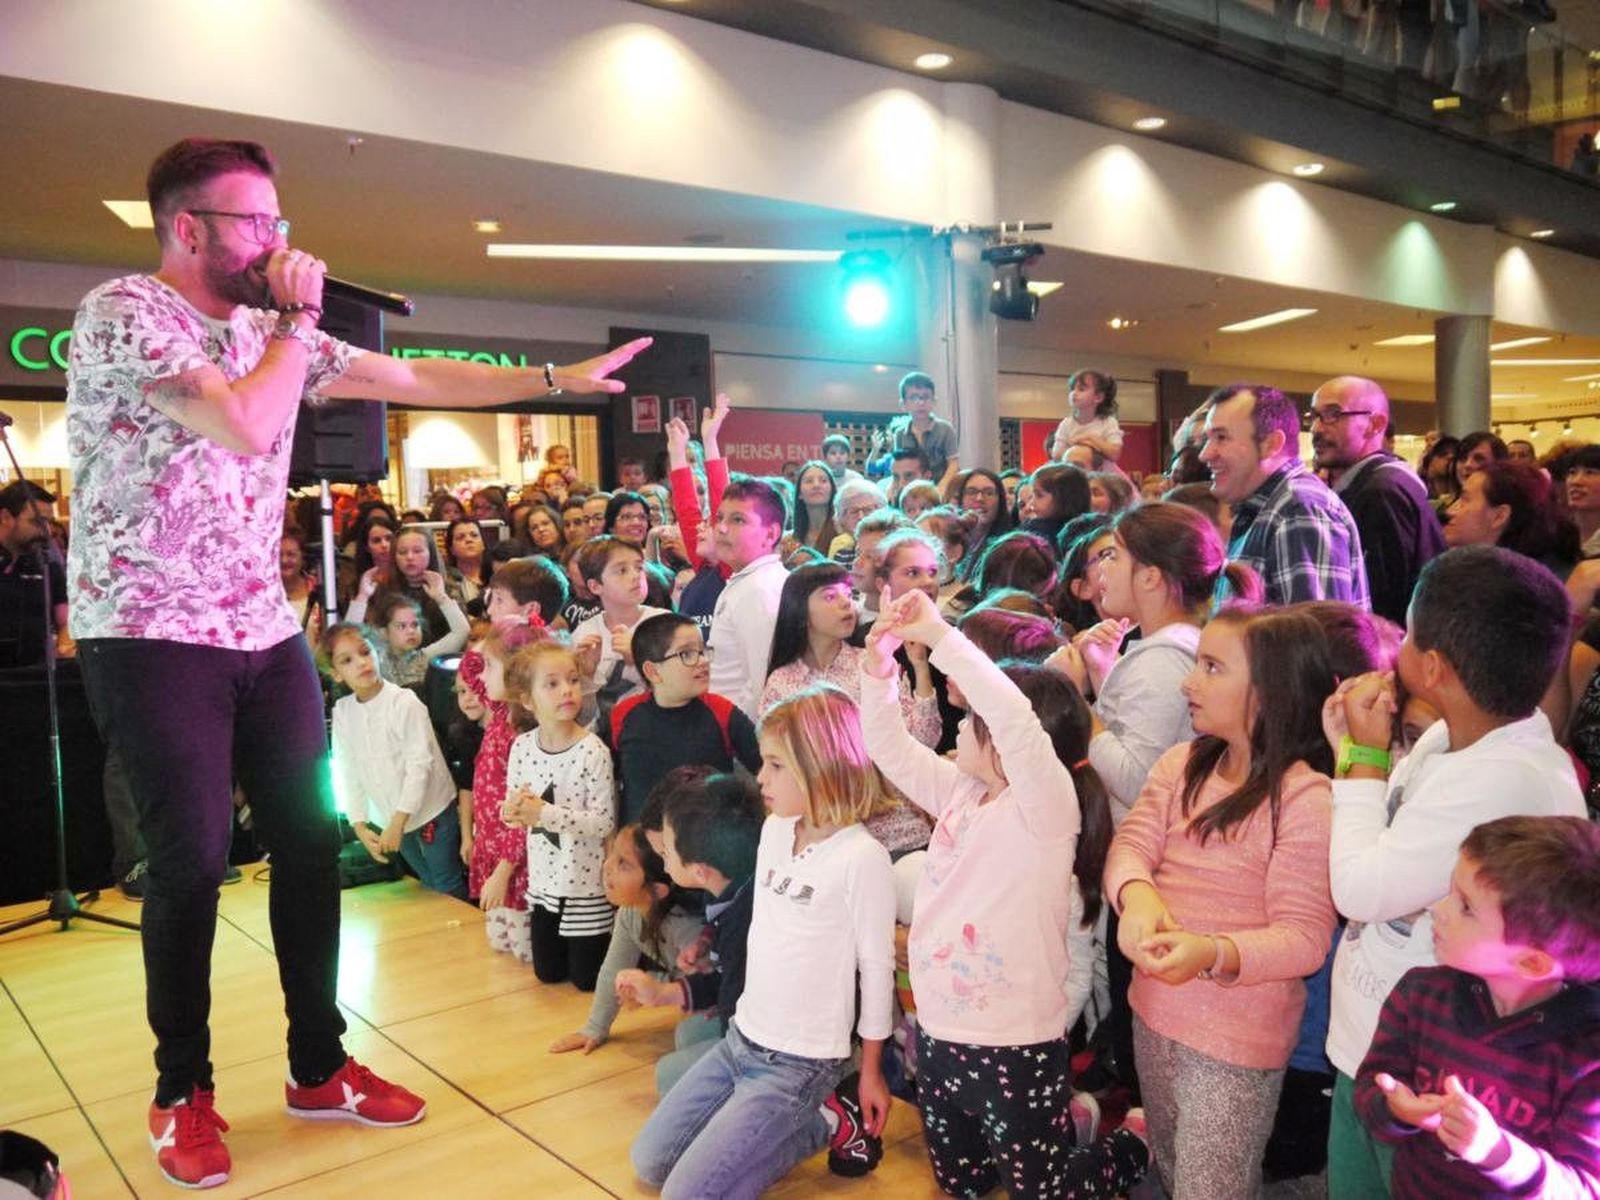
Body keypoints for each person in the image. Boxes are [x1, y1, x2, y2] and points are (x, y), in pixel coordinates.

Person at [63, 136, 648, 1187]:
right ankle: (180, 1087)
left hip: (258, 626)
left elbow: (416, 370)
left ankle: (316, 1066)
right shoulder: (126, 313)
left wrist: (556, 379)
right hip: (149, 629)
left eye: (279, 222)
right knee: (192, 860)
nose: (278, 241)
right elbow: (242, 423)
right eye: (255, 224)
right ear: (188, 228)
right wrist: (292, 323)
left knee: (308, 840)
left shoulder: (266, 328)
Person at [860, 587, 1148, 1196]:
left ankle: (1132, 1146)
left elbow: (1011, 714)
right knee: (961, 1183)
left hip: (1015, 1045)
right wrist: (879, 665)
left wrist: (940, 637)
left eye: (970, 721)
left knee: (1040, 1189)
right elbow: (887, 748)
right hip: (939, 1035)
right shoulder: (962, 791)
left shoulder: (1045, 808)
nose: (960, 726)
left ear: (1008, 738)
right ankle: (1065, 1123)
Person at [1321, 546, 1585, 1200]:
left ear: (1432, 667)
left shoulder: (1504, 775)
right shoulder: (1460, 736)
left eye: (1408, 633)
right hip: (1385, 1042)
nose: (1399, 645)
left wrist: (1359, 757)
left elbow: (1359, 889)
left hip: (1447, 1071)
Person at [1105, 607, 1340, 1199]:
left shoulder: (1304, 798)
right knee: (1178, 1169)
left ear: (1271, 691)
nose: (1190, 681)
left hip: (1233, 1047)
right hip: (1153, 1014)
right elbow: (1132, 843)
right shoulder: (1182, 763)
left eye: (1212, 668)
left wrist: (1209, 952)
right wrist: (1136, 897)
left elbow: (1305, 937)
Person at [630, 685, 897, 1191]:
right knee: (649, 1162)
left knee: (684, 1194)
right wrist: (709, 941)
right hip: (741, 1041)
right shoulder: (776, 829)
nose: (759, 777)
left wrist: (871, 1069)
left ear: (820, 765)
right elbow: (765, 920)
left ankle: (829, 1120)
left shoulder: (862, 858)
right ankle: (811, 1122)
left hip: (798, 1065)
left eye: (774, 765)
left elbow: (878, 971)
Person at [1354, 816, 1600, 1198]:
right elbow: (1371, 1090)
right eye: (1452, 891)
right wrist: (1399, 1111)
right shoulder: (1421, 993)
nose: (1438, 908)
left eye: (1466, 906)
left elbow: (1584, 1189)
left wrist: (1497, 1154)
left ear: (1531, 964)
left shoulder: (1587, 1057)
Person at [618, 772, 767, 1094]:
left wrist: (667, 992)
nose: (665, 864)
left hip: (763, 1048)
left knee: (668, 1075)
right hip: (746, 1021)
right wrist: (663, 994)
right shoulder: (735, 891)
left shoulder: (743, 922)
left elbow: (732, 1009)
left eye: (667, 854)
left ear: (699, 870)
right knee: (688, 1037)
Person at [500, 639, 616, 991]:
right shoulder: (521, 746)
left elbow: (603, 822)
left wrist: (544, 813)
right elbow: (513, 807)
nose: (567, 690)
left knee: (586, 982)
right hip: (544, 882)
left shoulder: (592, 750)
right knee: (547, 974)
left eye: (573, 680)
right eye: (552, 684)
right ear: (527, 700)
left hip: (585, 886)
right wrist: (512, 811)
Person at [323, 623, 467, 899]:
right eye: (347, 660)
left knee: (446, 883)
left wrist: (398, 823)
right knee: (427, 882)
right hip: (391, 819)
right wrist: (360, 825)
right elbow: (347, 769)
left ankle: (457, 935)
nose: (361, 663)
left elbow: (419, 767)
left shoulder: (404, 702)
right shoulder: (343, 711)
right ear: (336, 673)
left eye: (365, 652)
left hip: (429, 811)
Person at [1199, 383, 1369, 607]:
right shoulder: (1272, 506)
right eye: (1207, 439)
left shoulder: (1299, 509)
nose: (1205, 454)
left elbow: (1320, 636)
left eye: (1221, 437)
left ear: (1271, 444)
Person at [548, 824, 705, 1056]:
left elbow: (713, 986)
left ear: (656, 889)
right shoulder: (629, 913)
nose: (607, 866)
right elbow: (613, 969)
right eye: (613, 855)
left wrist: (663, 991)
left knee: (690, 1038)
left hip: (721, 999)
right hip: (686, 982)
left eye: (624, 864)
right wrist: (594, 1028)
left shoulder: (685, 925)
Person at [1310, 377, 1445, 626]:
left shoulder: (1380, 492)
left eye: (1333, 414)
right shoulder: (1377, 483)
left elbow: (1382, 606)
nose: (1317, 428)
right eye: (1315, 416)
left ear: (1375, 424)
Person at [610, 613, 763, 825]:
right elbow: (608, 785)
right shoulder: (623, 715)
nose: (702, 661)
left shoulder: (721, 711)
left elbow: (766, 765)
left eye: (702, 651)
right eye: (687, 654)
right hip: (643, 847)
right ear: (652, 671)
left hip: (708, 844)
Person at [458, 617, 548, 961]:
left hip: (514, 863)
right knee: (500, 949)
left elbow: (525, 814)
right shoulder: (499, 712)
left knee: (523, 954)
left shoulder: (521, 735)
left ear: (513, 673)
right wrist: (498, 635)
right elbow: (471, 668)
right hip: (493, 849)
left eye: (491, 666)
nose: (481, 676)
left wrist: (503, 871)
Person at [706, 477, 789, 719]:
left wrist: (740, 743)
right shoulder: (748, 581)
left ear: (771, 533)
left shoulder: (759, 589)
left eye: (737, 520)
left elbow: (763, 683)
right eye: (719, 518)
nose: (721, 528)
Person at [568, 536, 668, 713]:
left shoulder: (664, 624)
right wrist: (587, 676)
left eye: (639, 567)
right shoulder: (585, 634)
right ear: (595, 586)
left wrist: (637, 658)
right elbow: (583, 715)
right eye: (622, 570)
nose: (636, 575)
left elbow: (680, 687)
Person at [0, 480, 68, 669]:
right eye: (37, 522)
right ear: (6, 517)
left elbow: (65, 620)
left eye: (48, 522)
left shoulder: (48, 565)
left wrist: (64, 646)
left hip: (35, 679)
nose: (45, 531)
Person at [870, 372, 959, 495]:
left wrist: (942, 487)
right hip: (911, 490)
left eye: (925, 397)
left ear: (934, 401)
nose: (920, 403)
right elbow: (898, 465)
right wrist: (893, 486)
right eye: (913, 397)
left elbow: (953, 463)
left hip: (941, 488)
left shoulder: (945, 429)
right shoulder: (900, 434)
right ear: (903, 404)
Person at [365, 590, 468, 691]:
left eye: (415, 624)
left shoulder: (426, 657)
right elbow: (349, 638)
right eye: (401, 626)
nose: (411, 631)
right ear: (384, 632)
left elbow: (462, 631)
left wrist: (440, 596)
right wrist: (361, 598)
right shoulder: (376, 661)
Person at [1049, 368, 1123, 463]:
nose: (1074, 393)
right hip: (1073, 470)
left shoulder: (1108, 422)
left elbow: (1115, 454)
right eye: (1072, 389)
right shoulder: (1066, 423)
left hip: (1101, 473)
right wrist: (1081, 446)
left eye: (1081, 389)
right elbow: (1056, 455)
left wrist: (1089, 437)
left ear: (1098, 397)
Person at [791, 460, 840, 552]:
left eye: (823, 481)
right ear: (799, 494)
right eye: (809, 481)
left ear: (832, 490)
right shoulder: (790, 540)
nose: (816, 485)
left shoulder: (843, 532)